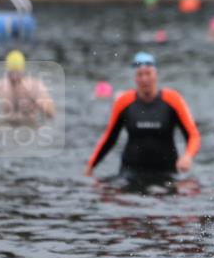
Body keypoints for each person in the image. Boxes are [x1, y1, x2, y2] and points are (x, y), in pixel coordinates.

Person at [85, 52, 200, 180]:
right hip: (130, 172)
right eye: (140, 74)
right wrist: (90, 167)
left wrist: (188, 156)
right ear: (135, 78)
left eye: (148, 73)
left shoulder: (173, 100)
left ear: (156, 75)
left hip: (166, 172)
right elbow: (109, 138)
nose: (144, 79)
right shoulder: (124, 102)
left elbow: (193, 135)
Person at [0, 50, 55, 127]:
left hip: (29, 125)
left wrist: (41, 104)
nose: (14, 76)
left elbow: (51, 113)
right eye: (12, 73)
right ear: (7, 70)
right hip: (6, 125)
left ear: (23, 71)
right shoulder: (0, 86)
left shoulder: (35, 86)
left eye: (17, 72)